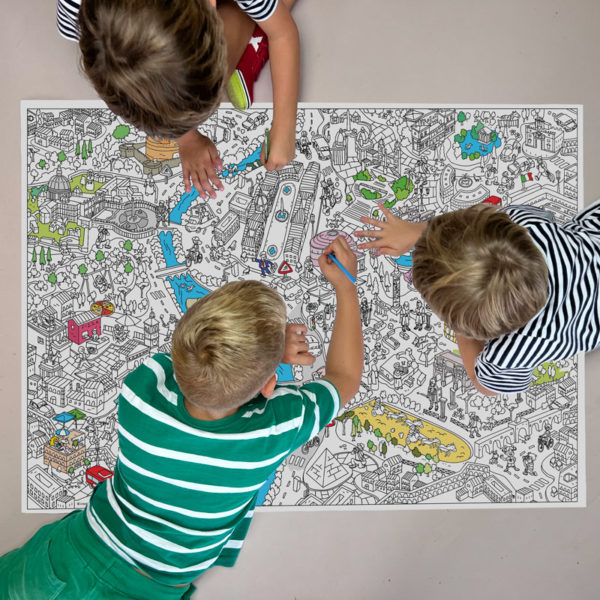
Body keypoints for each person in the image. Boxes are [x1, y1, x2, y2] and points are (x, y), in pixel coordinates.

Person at [0, 236, 362, 599]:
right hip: (144, 589)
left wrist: (262, 353)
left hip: (63, 556)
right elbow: (344, 379)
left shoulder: (141, 391)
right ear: (271, 384)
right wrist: (346, 288)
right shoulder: (270, 432)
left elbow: (195, 358)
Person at [354, 200, 600, 395]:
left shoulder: (511, 352)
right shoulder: (529, 226)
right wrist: (421, 232)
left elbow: (486, 385)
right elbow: (485, 225)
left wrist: (461, 331)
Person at [57, 0, 299, 195]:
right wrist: (186, 138)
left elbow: (282, 32)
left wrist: (285, 128)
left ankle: (255, 29)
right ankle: (254, 28)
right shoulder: (79, 11)